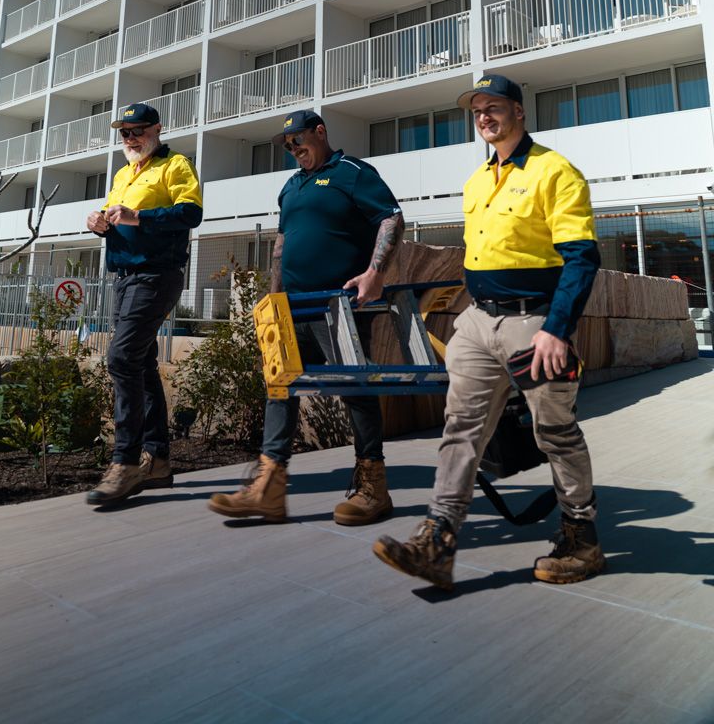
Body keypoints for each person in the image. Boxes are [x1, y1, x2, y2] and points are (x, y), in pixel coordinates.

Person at [374, 74, 605, 589]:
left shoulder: (554, 171)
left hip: (535, 324)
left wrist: (557, 329)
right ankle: (438, 539)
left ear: (518, 112)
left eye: (494, 107)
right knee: (461, 428)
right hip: (478, 321)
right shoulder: (478, 179)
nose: (483, 117)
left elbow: (581, 259)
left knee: (556, 433)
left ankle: (581, 538)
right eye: (476, 110)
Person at [209, 109, 404, 526]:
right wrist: (272, 300)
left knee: (356, 388)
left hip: (340, 306)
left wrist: (375, 274)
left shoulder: (351, 171)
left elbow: (391, 217)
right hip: (292, 308)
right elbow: (281, 247)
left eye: (299, 140)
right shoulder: (291, 187)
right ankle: (269, 488)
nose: (294, 149)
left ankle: (374, 486)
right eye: (287, 145)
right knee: (280, 387)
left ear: (320, 132)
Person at [85, 103, 203, 507]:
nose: (131, 138)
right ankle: (159, 461)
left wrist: (139, 216)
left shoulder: (176, 165)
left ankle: (126, 461)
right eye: (125, 133)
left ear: (157, 129)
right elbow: (116, 215)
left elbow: (191, 213)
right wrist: (100, 221)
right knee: (140, 363)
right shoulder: (122, 173)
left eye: (138, 131)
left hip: (156, 275)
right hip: (124, 276)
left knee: (120, 359)